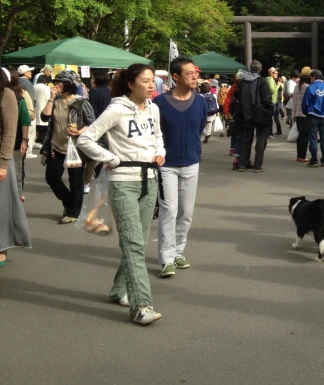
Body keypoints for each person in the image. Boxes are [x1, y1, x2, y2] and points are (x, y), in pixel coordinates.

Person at [77, 64, 166, 325]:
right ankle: (141, 306)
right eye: (146, 81)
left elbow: (158, 137)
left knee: (136, 240)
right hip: (122, 181)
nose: (152, 85)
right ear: (131, 84)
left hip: (149, 179)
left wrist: (161, 152)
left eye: (153, 81)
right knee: (134, 244)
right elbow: (86, 139)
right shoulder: (116, 110)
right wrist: (111, 158)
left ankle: (118, 290)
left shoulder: (154, 108)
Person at [153, 55, 207, 278]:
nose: (195, 77)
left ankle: (178, 251)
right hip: (167, 164)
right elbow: (155, 133)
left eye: (196, 73)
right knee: (169, 210)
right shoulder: (160, 103)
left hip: (191, 162)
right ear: (175, 77)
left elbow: (200, 127)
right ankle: (166, 258)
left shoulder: (201, 102)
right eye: (189, 74)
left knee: (186, 212)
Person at [40, 70, 95, 224]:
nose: (56, 84)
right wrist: (51, 99)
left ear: (68, 84)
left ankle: (73, 213)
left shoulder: (81, 102)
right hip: (56, 147)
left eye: (59, 82)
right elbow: (44, 117)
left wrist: (80, 131)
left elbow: (92, 123)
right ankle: (70, 201)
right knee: (51, 177)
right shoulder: (56, 101)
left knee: (76, 181)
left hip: (76, 149)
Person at [0, 69, 31, 268]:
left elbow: (10, 130)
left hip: (1, 159)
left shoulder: (7, 95)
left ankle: (1, 247)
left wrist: (3, 163)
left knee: (2, 207)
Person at [236, 60, 273, 173]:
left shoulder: (242, 82)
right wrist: (270, 110)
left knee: (247, 139)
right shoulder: (261, 81)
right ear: (260, 69)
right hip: (260, 112)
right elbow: (267, 98)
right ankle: (257, 165)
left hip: (246, 113)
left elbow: (239, 97)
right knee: (261, 139)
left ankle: (242, 163)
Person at [6, 69, 31, 201]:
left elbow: (25, 120)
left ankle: (17, 196)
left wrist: (24, 140)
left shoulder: (19, 98)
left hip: (15, 141)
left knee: (16, 170)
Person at [302, 69, 324, 168]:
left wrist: (306, 112)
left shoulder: (310, 88)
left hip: (312, 114)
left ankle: (314, 160)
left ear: (313, 77)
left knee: (313, 138)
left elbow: (305, 102)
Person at [292, 67, 312, 163]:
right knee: (305, 136)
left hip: (298, 113)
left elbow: (294, 101)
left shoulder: (297, 86)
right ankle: (302, 156)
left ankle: (299, 155)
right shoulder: (308, 87)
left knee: (301, 135)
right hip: (305, 114)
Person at [33, 75, 51, 149]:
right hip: (44, 108)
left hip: (35, 108)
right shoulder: (46, 88)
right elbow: (49, 99)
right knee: (44, 127)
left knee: (36, 126)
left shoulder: (33, 87)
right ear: (46, 81)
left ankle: (35, 140)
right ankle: (38, 141)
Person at [265, 67, 281, 138]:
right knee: (270, 118)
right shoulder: (270, 80)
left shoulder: (271, 80)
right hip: (271, 102)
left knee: (271, 117)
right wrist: (277, 85)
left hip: (273, 101)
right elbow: (273, 90)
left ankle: (270, 133)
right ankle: (269, 133)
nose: (277, 74)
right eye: (275, 73)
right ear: (271, 73)